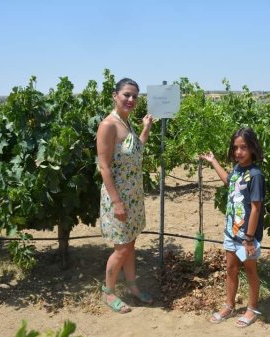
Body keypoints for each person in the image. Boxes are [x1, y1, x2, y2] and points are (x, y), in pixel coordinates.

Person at [96, 78, 155, 314]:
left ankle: (133, 287)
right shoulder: (108, 125)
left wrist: (145, 128)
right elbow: (104, 167)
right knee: (121, 249)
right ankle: (108, 294)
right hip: (118, 198)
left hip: (134, 196)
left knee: (130, 244)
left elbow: (135, 151)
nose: (131, 100)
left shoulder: (127, 124)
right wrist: (117, 202)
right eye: (127, 95)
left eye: (135, 96)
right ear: (115, 95)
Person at [200, 127, 265, 328]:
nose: (239, 152)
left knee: (250, 271)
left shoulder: (255, 175)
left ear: (253, 148)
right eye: (236, 148)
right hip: (231, 232)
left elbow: (255, 209)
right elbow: (228, 181)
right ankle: (229, 305)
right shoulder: (238, 170)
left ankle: (252, 308)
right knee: (230, 268)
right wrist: (213, 162)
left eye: (244, 147)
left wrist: (248, 238)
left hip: (247, 237)